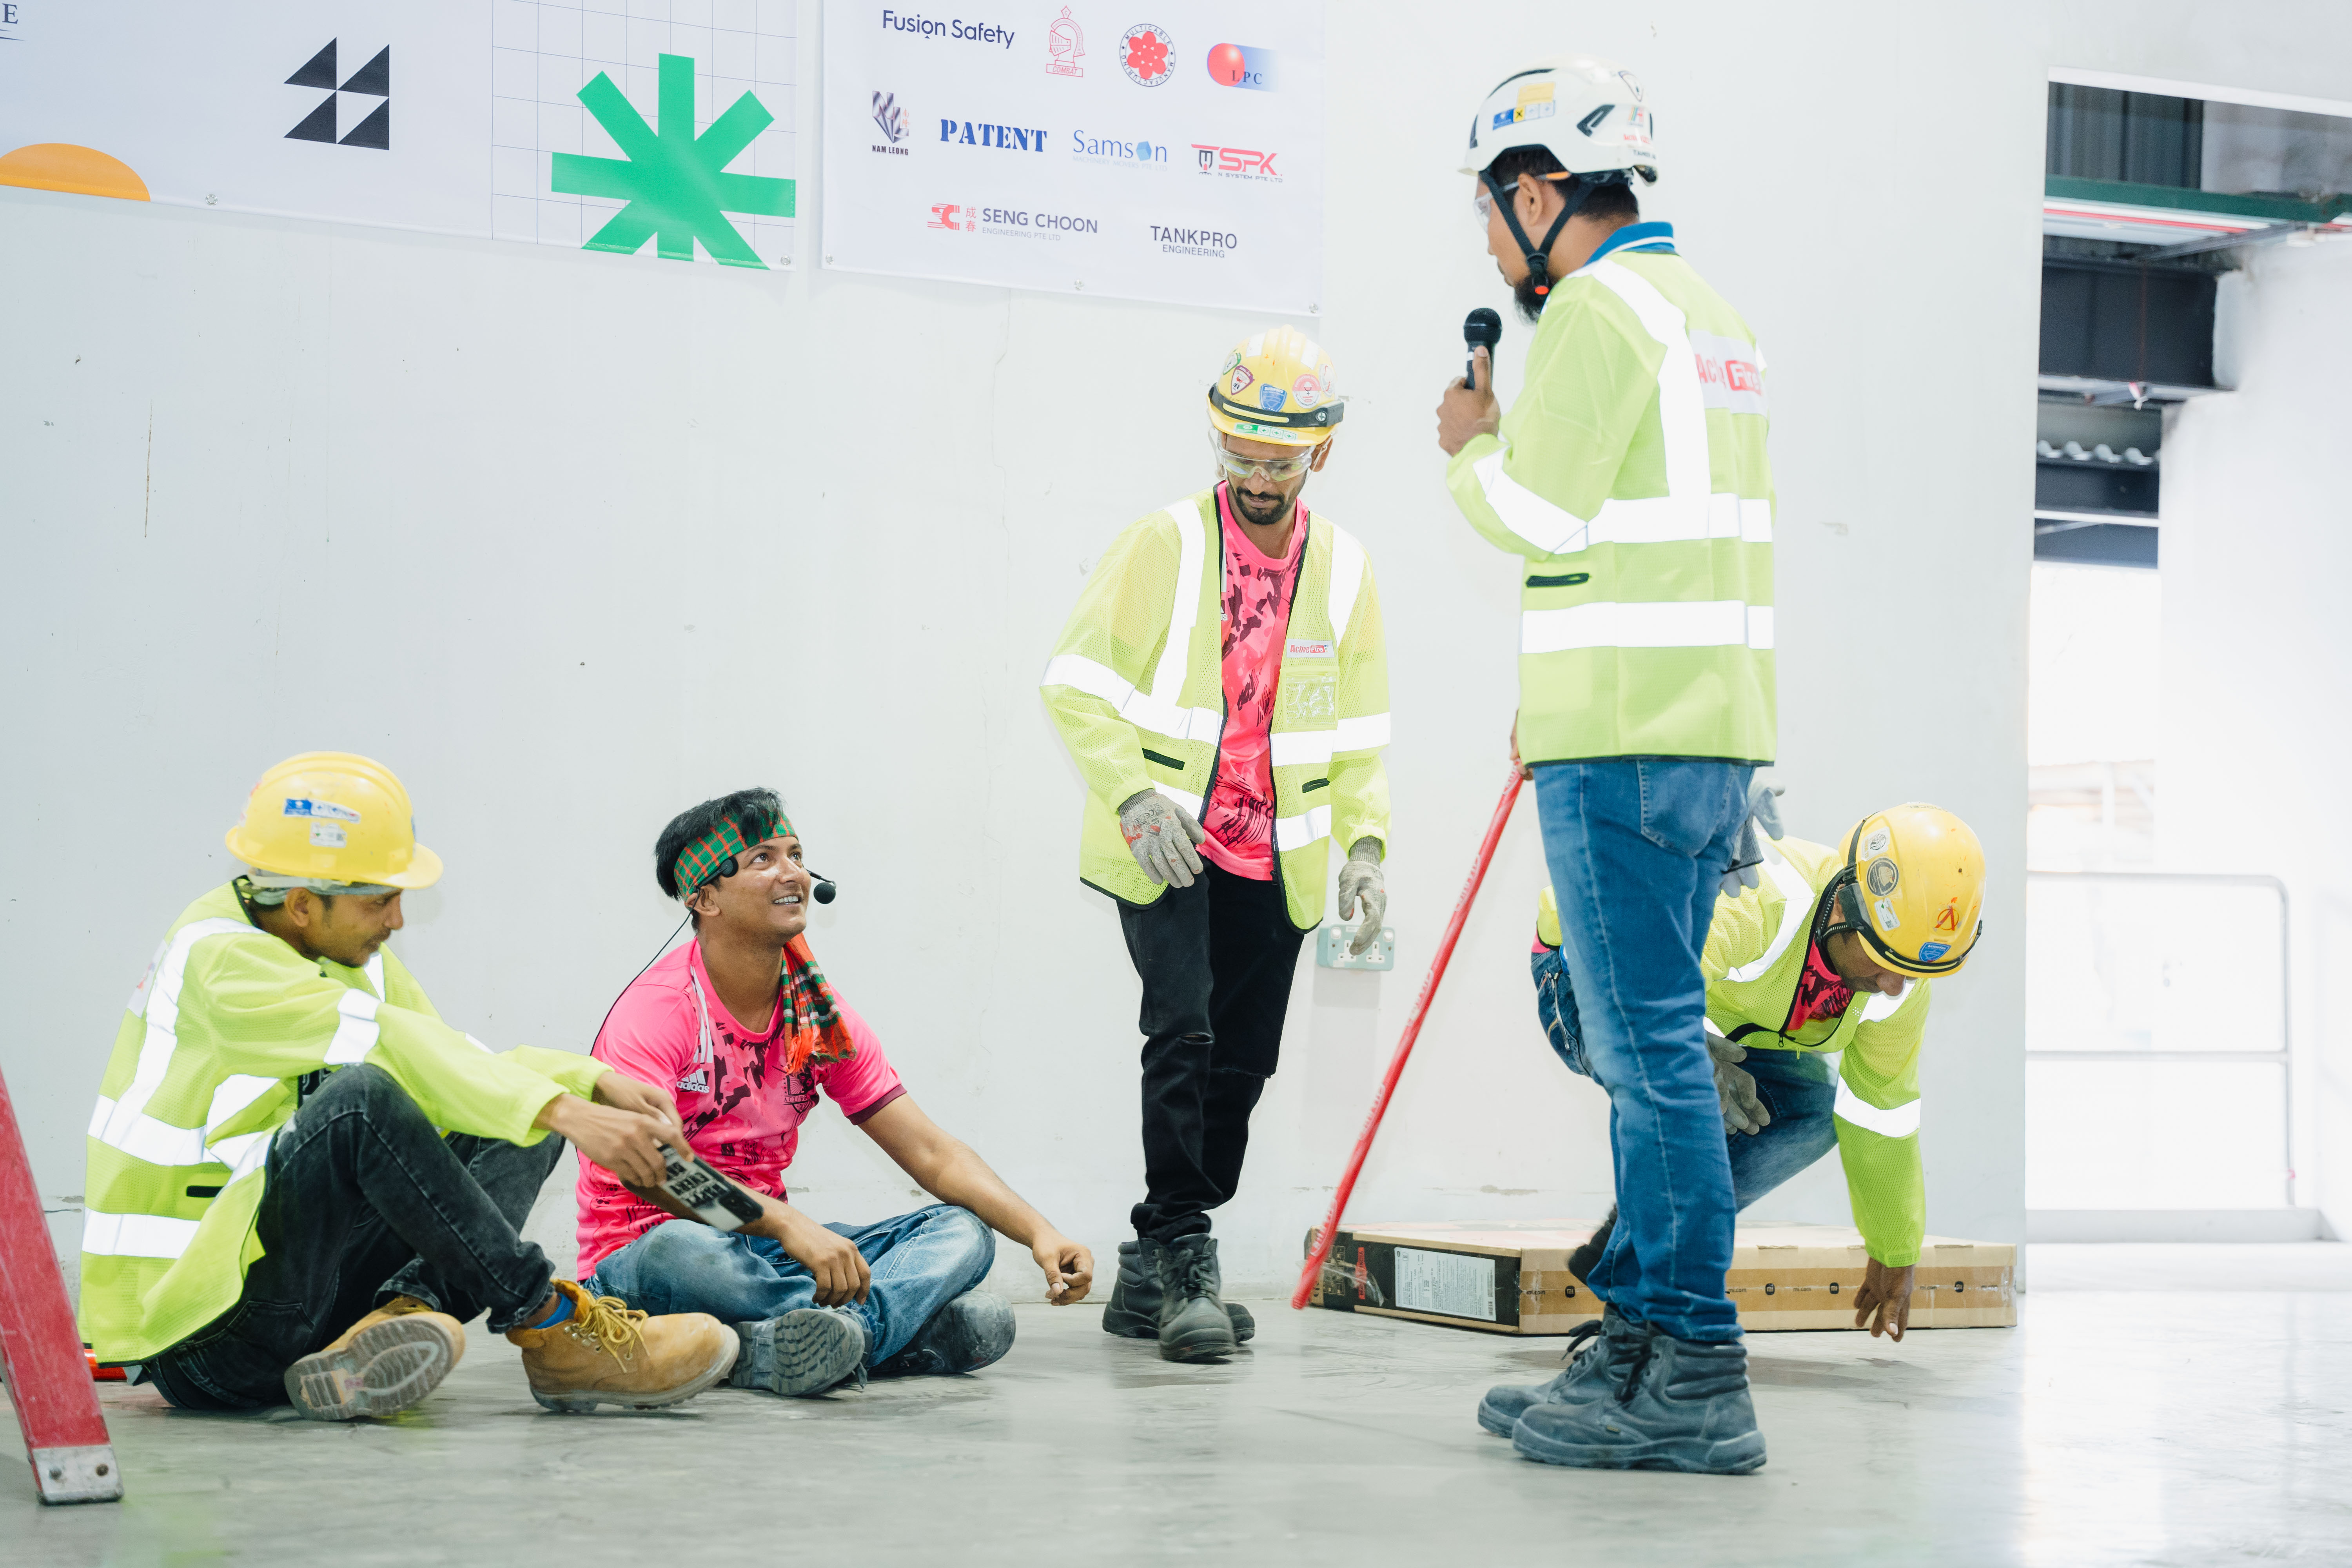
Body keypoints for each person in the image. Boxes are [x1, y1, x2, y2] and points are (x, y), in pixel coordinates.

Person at [1434, 56, 1777, 1473]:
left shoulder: (1592, 312)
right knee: (1657, 1061)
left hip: (1624, 745)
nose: (1490, 244)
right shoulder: (1710, 315)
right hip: (1702, 732)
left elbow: (1537, 510)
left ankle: (1694, 1368)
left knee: (1653, 1067)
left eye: (1488, 212)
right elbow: (1652, 538)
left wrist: (1469, 444)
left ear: (1537, 191)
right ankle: (1639, 1348)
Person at [80, 752, 737, 1420]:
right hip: (204, 1336)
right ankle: (550, 1324)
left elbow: (445, 1062)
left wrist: (590, 1082)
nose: (397, 921)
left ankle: (395, 1324)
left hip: (301, 1298)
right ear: (303, 905)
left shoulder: (352, 955)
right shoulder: (218, 959)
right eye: (378, 901)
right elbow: (390, 1052)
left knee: (516, 1105)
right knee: (366, 1100)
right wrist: (564, 1107)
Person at [1041, 326, 1393, 1363]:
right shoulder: (1167, 545)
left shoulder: (1347, 571)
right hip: (1167, 845)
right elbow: (1074, 678)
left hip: (1279, 857)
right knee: (1184, 1032)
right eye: (1237, 453)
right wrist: (1135, 797)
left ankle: (1155, 1263)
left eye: (1276, 460)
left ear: (1317, 455)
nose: (1254, 475)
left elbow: (1363, 731)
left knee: (1244, 1062)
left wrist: (1366, 847)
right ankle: (1187, 1251)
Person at [1479, 803, 1985, 1452]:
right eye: (1884, 960)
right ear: (1845, 907)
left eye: (1913, 970)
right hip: (1592, 961)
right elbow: (1635, 966)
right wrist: (1688, 1048)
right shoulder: (1758, 904)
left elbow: (1880, 1110)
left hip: (1703, 1007)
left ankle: (1635, 1291)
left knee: (1803, 1111)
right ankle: (1628, 1354)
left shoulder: (1902, 979)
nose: (1892, 985)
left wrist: (1895, 1244)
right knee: (1676, 1097)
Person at [577, 789, 1096, 1397]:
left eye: (796, 854)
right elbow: (653, 1174)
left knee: (963, 1231)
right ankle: (880, 1335)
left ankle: (796, 1342)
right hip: (649, 1262)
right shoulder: (658, 1010)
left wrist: (1041, 1233)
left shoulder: (817, 1016)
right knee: (682, 1249)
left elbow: (930, 1152)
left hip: (763, 1254)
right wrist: (788, 1224)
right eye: (762, 859)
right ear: (705, 898)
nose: (793, 872)